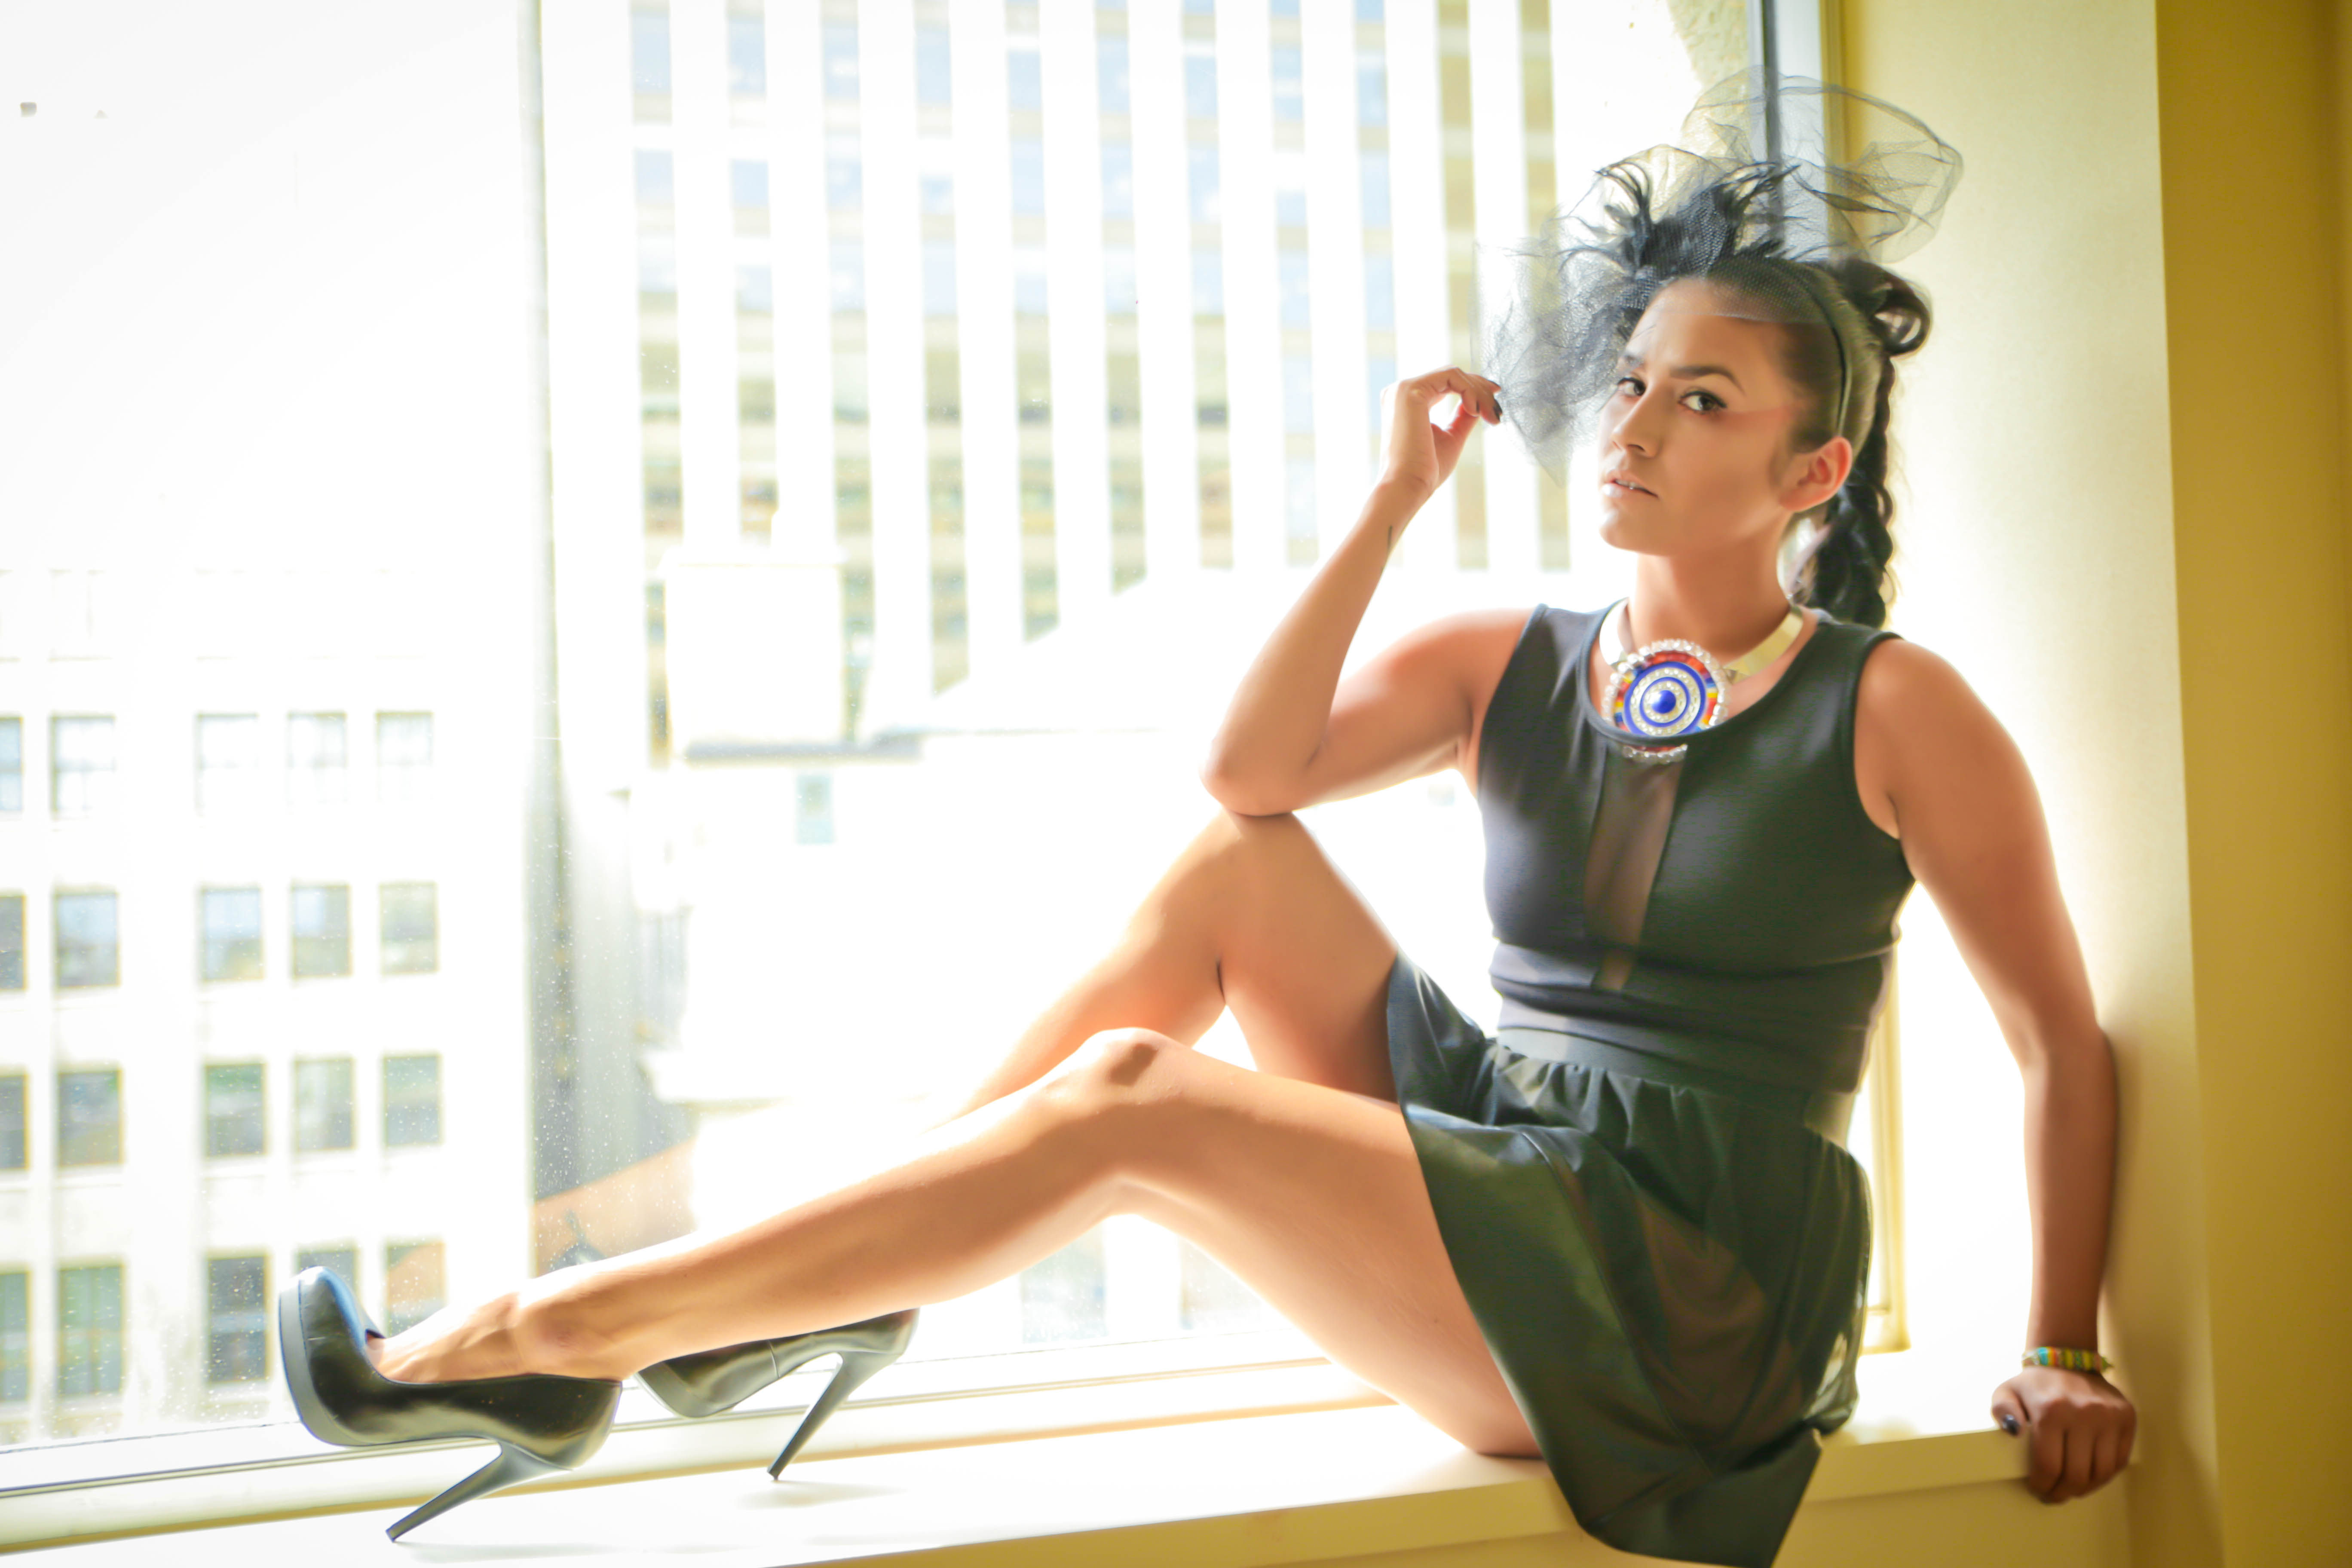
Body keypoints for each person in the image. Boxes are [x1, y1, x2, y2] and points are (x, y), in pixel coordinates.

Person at [278, 78, 2135, 1568]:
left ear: (1813, 471)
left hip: (1691, 1293)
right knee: (1242, 874)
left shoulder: (1896, 708)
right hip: (1515, 1152)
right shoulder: (1508, 657)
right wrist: (1391, 505)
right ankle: (845, 1285)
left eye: (1702, 401)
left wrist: (2061, 1345)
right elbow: (1251, 778)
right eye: (1634, 381)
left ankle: (549, 1343)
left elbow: (2063, 1041)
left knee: (1130, 1102)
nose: (1636, 424)